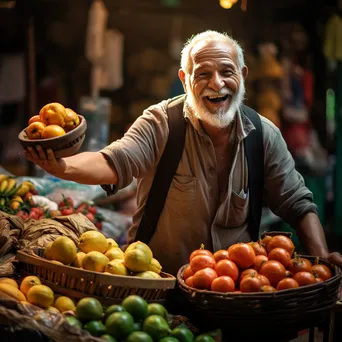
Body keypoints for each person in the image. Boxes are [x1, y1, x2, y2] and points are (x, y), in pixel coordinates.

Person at [24, 30, 342, 277]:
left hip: (235, 291)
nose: (216, 84)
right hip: (159, 288)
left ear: (242, 76)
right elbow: (113, 161)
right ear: (184, 79)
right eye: (202, 73)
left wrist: (323, 256)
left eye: (226, 72)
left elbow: (297, 203)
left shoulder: (264, 135)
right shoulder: (161, 123)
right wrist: (62, 166)